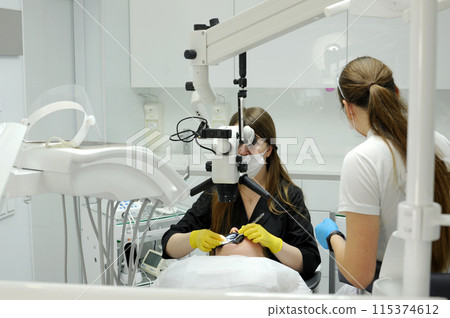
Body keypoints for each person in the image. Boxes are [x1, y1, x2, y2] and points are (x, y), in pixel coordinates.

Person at [315, 56, 450, 291]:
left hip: (388, 296)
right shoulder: (440, 143)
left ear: (348, 108)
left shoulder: (363, 160)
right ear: (396, 92)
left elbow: (359, 275)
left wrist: (332, 237)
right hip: (438, 291)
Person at [162, 107, 321, 279]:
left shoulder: (288, 195)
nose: (243, 150)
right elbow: (168, 244)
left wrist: (275, 245)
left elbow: (310, 260)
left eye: (252, 142)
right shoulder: (217, 191)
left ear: (269, 150)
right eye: (237, 142)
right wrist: (194, 238)